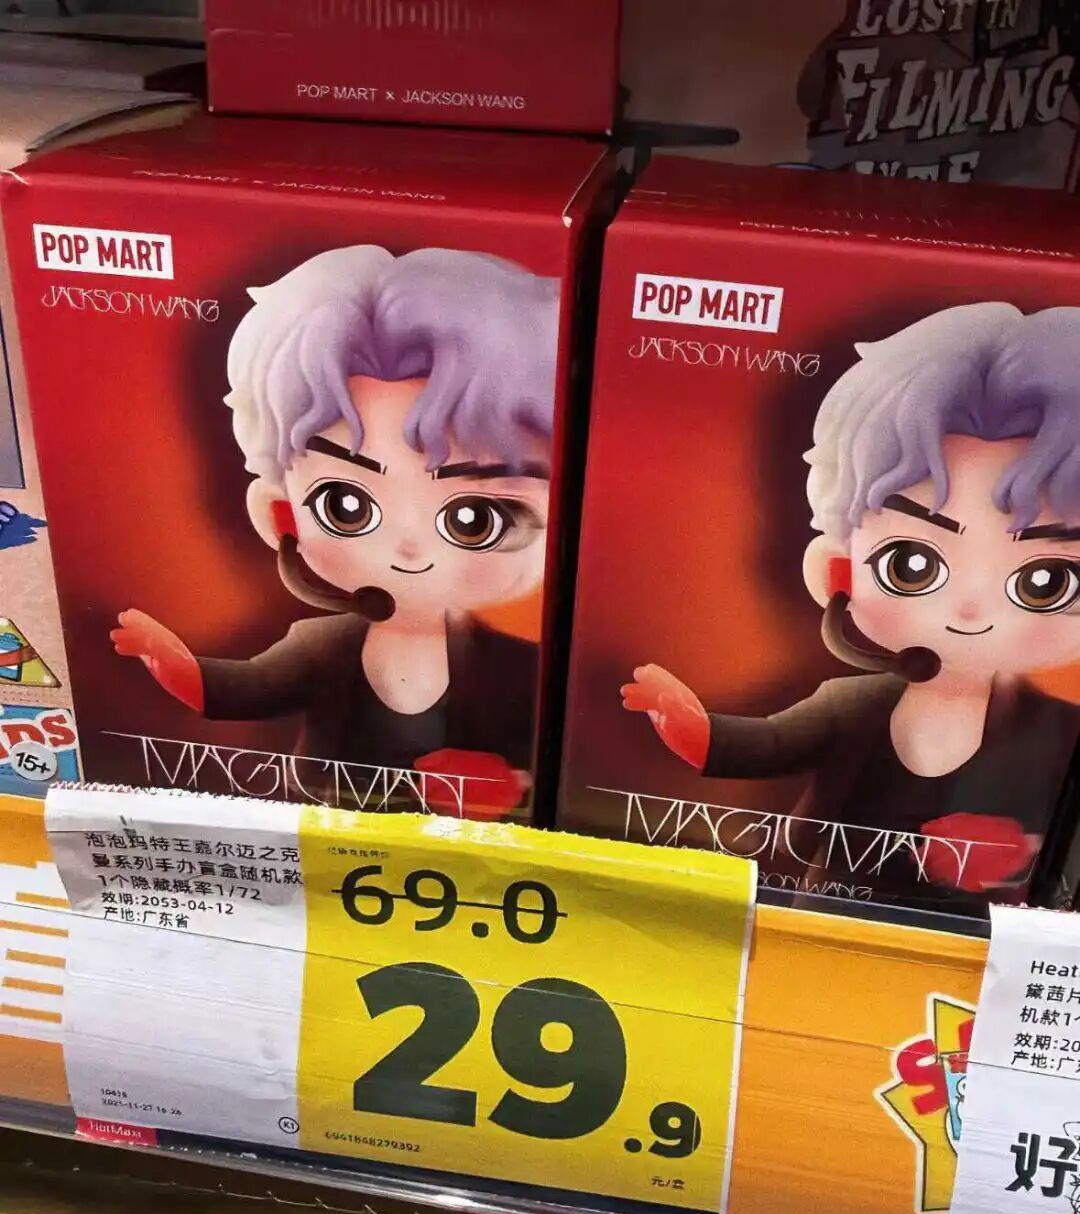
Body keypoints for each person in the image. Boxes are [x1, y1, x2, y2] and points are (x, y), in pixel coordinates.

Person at [623, 303, 1080, 906]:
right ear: (836, 571)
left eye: (1046, 581)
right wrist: (697, 730)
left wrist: (1013, 853)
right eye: (911, 564)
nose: (972, 609)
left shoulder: (1060, 733)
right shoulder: (851, 704)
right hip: (831, 904)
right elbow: (773, 743)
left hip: (986, 931)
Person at [111, 246, 558, 818]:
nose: (409, 547)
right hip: (324, 818)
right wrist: (174, 665)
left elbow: (541, 761)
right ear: (281, 516)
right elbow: (249, 687)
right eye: (346, 506)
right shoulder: (319, 645)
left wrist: (502, 784)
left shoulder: (518, 669)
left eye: (474, 517)